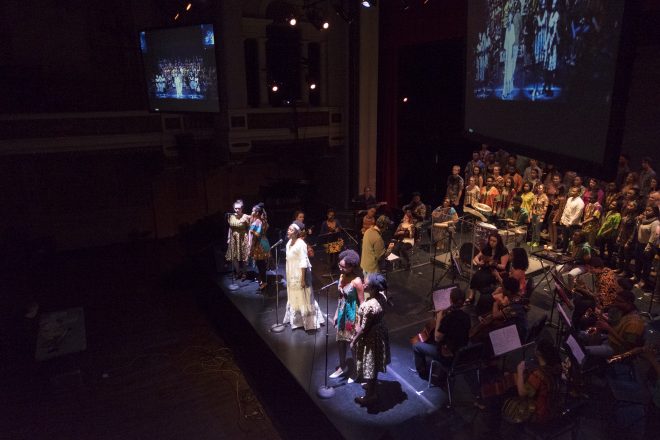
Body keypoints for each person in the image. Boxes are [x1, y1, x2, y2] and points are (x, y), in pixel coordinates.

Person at [351, 273, 391, 406]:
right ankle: (371, 387)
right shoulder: (382, 297)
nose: (363, 285)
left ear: (373, 288)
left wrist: (354, 340)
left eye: (365, 284)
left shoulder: (369, 306)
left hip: (371, 337)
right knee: (375, 362)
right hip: (380, 333)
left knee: (370, 364)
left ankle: (370, 396)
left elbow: (363, 328)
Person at [413, 287, 470, 379]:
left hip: (448, 356)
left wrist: (439, 317)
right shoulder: (466, 317)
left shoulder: (448, 318)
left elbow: (437, 338)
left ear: (450, 300)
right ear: (463, 302)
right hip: (461, 355)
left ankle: (422, 373)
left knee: (416, 346)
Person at [283, 221, 324, 330]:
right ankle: (297, 321)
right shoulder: (288, 243)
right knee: (295, 297)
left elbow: (303, 263)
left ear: (296, 233)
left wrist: (302, 279)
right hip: (292, 274)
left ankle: (309, 323)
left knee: (304, 297)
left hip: (300, 274)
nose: (288, 231)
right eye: (288, 229)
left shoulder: (301, 244)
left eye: (291, 230)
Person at [330, 250, 365, 379]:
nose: (340, 268)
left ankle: (356, 371)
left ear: (351, 267)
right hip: (342, 313)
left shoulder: (357, 281)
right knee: (340, 341)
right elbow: (340, 297)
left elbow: (362, 303)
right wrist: (335, 314)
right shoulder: (341, 277)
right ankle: (342, 365)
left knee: (352, 344)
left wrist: (359, 322)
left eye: (343, 267)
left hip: (352, 314)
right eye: (340, 265)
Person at [511, 340, 562, 426]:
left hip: (541, 416)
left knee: (512, 394)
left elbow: (522, 393)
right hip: (555, 409)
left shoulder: (538, 375)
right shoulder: (556, 367)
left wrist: (519, 371)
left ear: (538, 353)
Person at [583, 290, 645, 358]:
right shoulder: (625, 311)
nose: (615, 303)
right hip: (610, 340)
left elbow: (629, 346)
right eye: (616, 300)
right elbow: (614, 324)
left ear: (629, 303)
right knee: (582, 334)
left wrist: (608, 328)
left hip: (617, 350)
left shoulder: (635, 323)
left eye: (619, 301)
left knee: (584, 350)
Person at [466, 232, 510, 304]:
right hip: (487, 268)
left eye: (494, 241)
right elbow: (476, 257)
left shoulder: (503, 250)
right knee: (476, 276)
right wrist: (479, 262)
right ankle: (471, 296)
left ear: (498, 242)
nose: (491, 242)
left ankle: (484, 298)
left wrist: (495, 264)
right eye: (490, 240)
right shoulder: (487, 248)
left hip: (496, 271)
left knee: (483, 279)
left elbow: (503, 266)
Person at [632, 205, 659, 290]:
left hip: (647, 246)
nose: (646, 212)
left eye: (649, 210)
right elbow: (638, 229)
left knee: (646, 264)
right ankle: (636, 276)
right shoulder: (644, 220)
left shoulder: (655, 222)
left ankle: (643, 281)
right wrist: (638, 221)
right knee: (638, 261)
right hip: (639, 243)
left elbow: (654, 236)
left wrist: (648, 247)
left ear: (655, 212)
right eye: (646, 210)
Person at [361, 215, 390, 287]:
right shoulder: (378, 238)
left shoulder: (368, 231)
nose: (387, 228)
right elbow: (381, 257)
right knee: (373, 290)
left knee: (367, 286)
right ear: (384, 226)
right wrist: (390, 249)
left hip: (365, 265)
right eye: (386, 226)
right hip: (373, 269)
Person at [226, 199, 251, 280]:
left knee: (244, 257)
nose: (237, 210)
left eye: (239, 208)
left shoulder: (245, 216)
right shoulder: (231, 216)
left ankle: (244, 273)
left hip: (243, 238)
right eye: (235, 208)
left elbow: (249, 229)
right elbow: (230, 228)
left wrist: (250, 240)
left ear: (242, 208)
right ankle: (238, 272)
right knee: (234, 257)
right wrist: (229, 237)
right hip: (234, 238)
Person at [249, 203, 271, 291]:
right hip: (264, 241)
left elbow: (257, 234)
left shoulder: (258, 221)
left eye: (253, 211)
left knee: (260, 264)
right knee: (262, 263)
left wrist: (252, 231)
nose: (252, 212)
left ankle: (264, 281)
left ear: (257, 212)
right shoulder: (263, 219)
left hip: (260, 244)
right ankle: (263, 279)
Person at [616, 200, 639, 278]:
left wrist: (629, 242)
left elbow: (634, 231)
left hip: (629, 239)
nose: (629, 207)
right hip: (623, 237)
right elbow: (622, 227)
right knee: (620, 254)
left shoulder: (636, 218)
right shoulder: (627, 214)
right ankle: (620, 268)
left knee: (627, 256)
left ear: (635, 208)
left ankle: (625, 271)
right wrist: (619, 236)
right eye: (628, 205)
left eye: (631, 206)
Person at [596, 199, 621, 267]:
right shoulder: (609, 212)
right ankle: (601, 260)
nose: (611, 205)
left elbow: (614, 227)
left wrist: (605, 232)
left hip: (610, 234)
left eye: (614, 205)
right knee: (601, 247)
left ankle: (609, 262)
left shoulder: (618, 215)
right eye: (611, 204)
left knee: (610, 248)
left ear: (617, 207)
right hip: (603, 232)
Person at [559, 186, 585, 251]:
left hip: (573, 224)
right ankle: (564, 250)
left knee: (573, 239)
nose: (571, 192)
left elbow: (577, 215)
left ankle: (572, 252)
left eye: (574, 191)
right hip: (565, 221)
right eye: (571, 191)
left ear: (578, 193)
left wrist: (570, 223)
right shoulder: (569, 199)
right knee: (565, 238)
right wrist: (562, 219)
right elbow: (565, 209)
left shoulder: (580, 202)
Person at [319, 208, 344, 272]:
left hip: (336, 241)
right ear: (327, 215)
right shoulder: (324, 223)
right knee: (329, 257)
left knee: (336, 256)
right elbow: (322, 233)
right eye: (330, 215)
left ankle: (335, 269)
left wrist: (338, 230)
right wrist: (328, 233)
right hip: (328, 241)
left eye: (332, 215)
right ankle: (330, 270)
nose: (331, 216)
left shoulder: (337, 221)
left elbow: (341, 229)